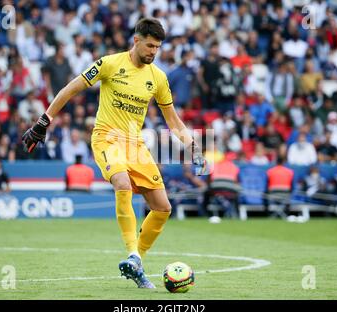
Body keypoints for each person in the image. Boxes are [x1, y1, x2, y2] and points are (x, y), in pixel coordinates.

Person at [21, 18, 206, 289]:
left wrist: (194, 147)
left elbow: (174, 121)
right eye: (150, 45)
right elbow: (70, 89)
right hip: (107, 137)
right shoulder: (109, 64)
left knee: (163, 207)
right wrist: (44, 120)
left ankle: (136, 261)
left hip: (136, 144)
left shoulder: (158, 77)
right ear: (136, 40)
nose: (154, 52)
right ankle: (132, 252)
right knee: (122, 183)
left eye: (158, 47)